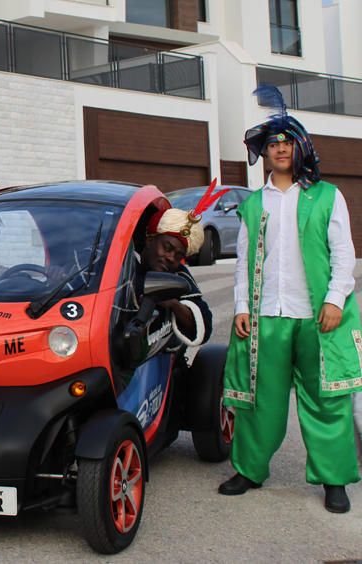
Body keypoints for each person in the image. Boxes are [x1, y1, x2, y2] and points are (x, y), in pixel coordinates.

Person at [219, 86, 360, 514]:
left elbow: (343, 254)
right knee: (259, 399)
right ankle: (249, 470)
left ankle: (334, 479)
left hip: (318, 317)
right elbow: (243, 262)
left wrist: (335, 300)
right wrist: (242, 308)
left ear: (300, 149)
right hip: (267, 318)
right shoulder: (254, 204)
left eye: (287, 143)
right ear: (264, 153)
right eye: (273, 144)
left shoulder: (327, 196)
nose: (280, 150)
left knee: (326, 401)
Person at [135, 195, 215, 351]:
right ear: (150, 240)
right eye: (167, 248)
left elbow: (204, 325)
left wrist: (173, 304)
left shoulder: (178, 275)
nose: (172, 258)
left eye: (179, 256)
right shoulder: (122, 261)